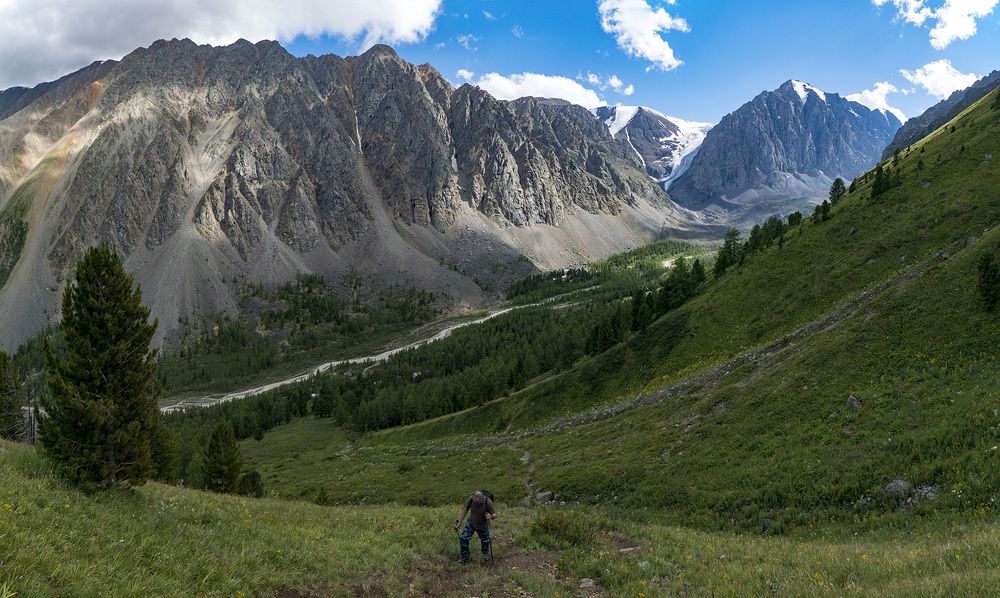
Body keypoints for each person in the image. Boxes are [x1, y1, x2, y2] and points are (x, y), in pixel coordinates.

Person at [453, 490, 496, 564]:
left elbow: (495, 514)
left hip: (483, 525)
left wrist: (491, 516)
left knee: (485, 541)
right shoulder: (471, 499)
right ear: (473, 498)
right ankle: (465, 557)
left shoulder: (488, 502)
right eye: (475, 502)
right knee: (463, 538)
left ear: (482, 499)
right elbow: (465, 510)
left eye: (478, 502)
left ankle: (485, 553)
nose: (476, 504)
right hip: (472, 523)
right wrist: (459, 522)